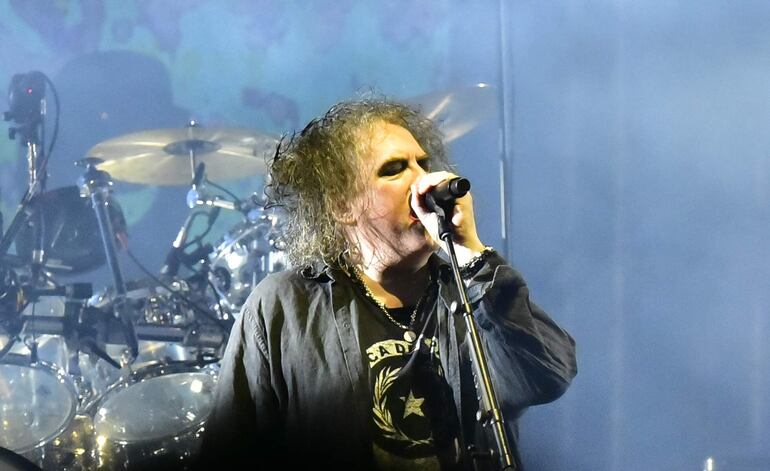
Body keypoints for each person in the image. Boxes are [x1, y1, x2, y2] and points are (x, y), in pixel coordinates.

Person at [197, 99, 577, 470]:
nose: (423, 180)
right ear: (342, 204)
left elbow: (546, 377)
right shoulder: (284, 306)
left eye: (423, 163)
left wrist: (471, 255)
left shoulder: (472, 289)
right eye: (394, 169)